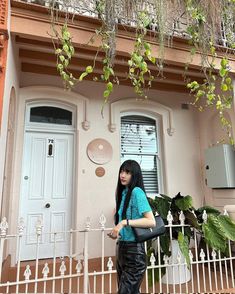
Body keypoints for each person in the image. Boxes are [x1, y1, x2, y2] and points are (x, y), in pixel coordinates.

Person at [108, 160, 156, 294]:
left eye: (127, 172)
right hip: (122, 249)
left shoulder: (137, 192)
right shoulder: (124, 193)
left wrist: (124, 222)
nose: (122, 175)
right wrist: (117, 232)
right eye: (121, 172)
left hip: (134, 252)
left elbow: (151, 221)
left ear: (134, 175)